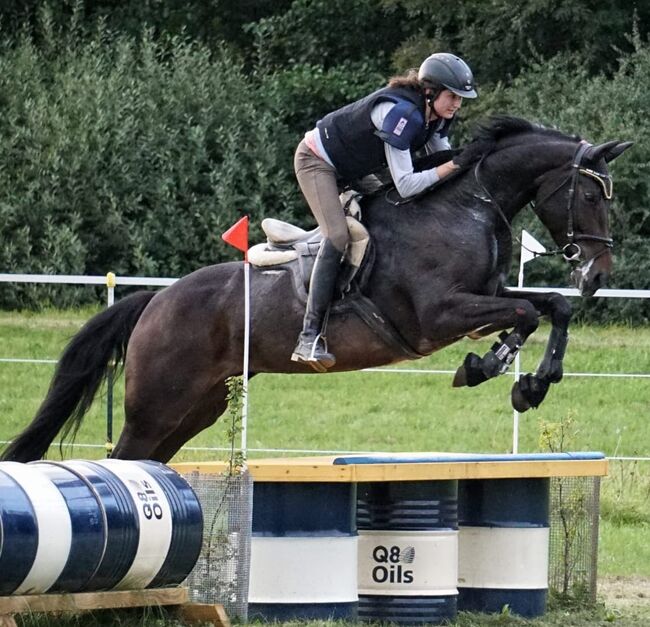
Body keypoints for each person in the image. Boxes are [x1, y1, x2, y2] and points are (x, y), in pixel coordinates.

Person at [291, 52, 481, 371]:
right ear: (430, 91)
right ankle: (309, 335)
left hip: (357, 170)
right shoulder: (399, 113)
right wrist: (453, 165)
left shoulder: (438, 115)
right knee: (338, 235)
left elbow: (442, 160)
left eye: (461, 99)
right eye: (452, 96)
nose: (457, 105)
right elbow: (408, 183)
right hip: (318, 162)